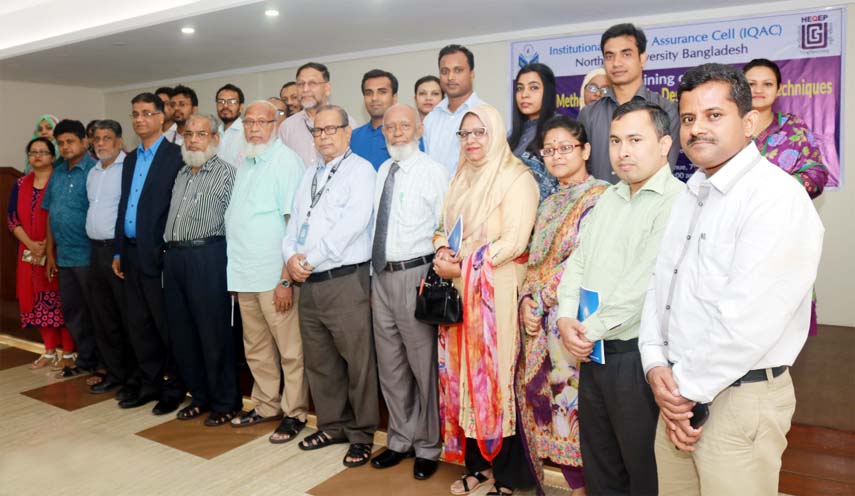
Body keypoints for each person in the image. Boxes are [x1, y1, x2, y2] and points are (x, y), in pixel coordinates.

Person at [640, 62, 825, 496]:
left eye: (713, 115)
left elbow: (747, 321)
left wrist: (680, 392)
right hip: (678, 398)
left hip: (737, 402)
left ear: (749, 122)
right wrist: (654, 365)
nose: (697, 129)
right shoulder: (692, 193)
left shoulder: (776, 198)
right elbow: (660, 287)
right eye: (688, 118)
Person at [556, 100, 684, 495]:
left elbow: (643, 281)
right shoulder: (608, 197)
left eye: (634, 140)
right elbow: (577, 261)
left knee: (642, 466)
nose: (622, 151)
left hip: (637, 358)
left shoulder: (676, 201)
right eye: (615, 140)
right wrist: (565, 318)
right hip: (592, 353)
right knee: (600, 461)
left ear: (664, 145)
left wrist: (586, 328)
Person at [433, 104, 538, 496]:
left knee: (494, 379)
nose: (472, 141)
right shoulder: (460, 178)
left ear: (495, 134)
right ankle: (479, 465)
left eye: (480, 132)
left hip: (497, 294)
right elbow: (442, 228)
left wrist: (463, 268)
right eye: (465, 134)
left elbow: (513, 242)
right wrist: (442, 250)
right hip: (462, 295)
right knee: (464, 378)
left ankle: (510, 476)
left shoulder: (516, 179)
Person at [515, 115, 609, 495]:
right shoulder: (548, 201)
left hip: (572, 321)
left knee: (576, 411)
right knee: (550, 414)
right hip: (538, 322)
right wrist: (525, 300)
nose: (556, 155)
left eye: (565, 147)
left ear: (585, 150)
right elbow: (532, 258)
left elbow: (583, 260)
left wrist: (539, 298)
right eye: (548, 149)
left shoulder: (603, 197)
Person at [282, 105, 378, 468]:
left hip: (344, 279)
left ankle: (362, 433)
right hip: (309, 282)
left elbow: (352, 224)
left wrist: (308, 259)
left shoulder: (361, 171)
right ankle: (332, 424)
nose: (323, 136)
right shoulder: (309, 173)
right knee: (320, 361)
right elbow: (294, 224)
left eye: (330, 129)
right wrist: (291, 256)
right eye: (317, 131)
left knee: (358, 362)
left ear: (347, 131)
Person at [368, 104, 448, 480]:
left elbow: (445, 228)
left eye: (404, 126)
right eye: (389, 127)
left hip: (416, 275)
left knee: (423, 366)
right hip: (380, 276)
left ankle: (429, 445)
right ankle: (400, 439)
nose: (396, 132)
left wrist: (433, 272)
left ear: (419, 129)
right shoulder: (383, 169)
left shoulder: (433, 173)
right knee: (391, 366)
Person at [226, 101, 309, 443]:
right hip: (244, 273)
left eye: (262, 121)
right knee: (256, 347)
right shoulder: (246, 160)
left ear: (276, 124)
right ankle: (264, 404)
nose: (255, 127)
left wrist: (285, 279)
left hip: (275, 276)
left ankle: (295, 412)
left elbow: (294, 224)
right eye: (249, 121)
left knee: (290, 350)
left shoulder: (286, 161)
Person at [164, 113, 240, 426]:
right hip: (175, 258)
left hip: (208, 256)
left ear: (215, 139)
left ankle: (226, 402)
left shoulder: (227, 173)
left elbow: (235, 224)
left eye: (201, 134)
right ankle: (200, 396)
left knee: (213, 333)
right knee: (183, 334)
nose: (193, 139)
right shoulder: (181, 173)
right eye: (189, 134)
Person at [743, 58, 828, 338]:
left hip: (783, 234)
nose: (759, 90)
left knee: (783, 323)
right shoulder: (728, 129)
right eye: (751, 84)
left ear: (778, 90)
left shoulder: (793, 128)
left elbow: (816, 174)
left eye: (767, 84)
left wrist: (775, 191)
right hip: (736, 233)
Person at [112, 92, 185, 414]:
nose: (139, 119)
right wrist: (117, 250)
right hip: (129, 253)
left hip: (159, 256)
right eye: (135, 114)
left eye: (146, 113)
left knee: (166, 326)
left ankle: (174, 388)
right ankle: (149, 384)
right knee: (139, 326)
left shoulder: (176, 155)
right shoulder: (129, 159)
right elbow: (124, 206)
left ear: (160, 117)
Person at [579, 23, 680, 183]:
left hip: (648, 204)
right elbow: (582, 171)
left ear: (642, 59)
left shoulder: (667, 110)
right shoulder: (589, 114)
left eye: (626, 54)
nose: (616, 63)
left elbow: (664, 169)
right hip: (598, 205)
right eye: (609, 56)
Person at [42, 119, 99, 377]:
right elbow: (50, 213)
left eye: (70, 141)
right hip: (64, 257)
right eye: (61, 143)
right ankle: (85, 361)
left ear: (84, 142)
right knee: (73, 312)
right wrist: (50, 253)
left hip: (89, 256)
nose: (65, 147)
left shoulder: (95, 170)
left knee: (97, 312)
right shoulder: (58, 172)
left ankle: (106, 365)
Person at [9, 138, 70, 369]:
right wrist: (31, 244)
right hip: (29, 253)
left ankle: (68, 353)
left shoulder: (60, 180)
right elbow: (12, 219)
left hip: (56, 251)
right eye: (33, 152)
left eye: (43, 152)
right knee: (36, 302)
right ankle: (49, 350)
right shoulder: (20, 184)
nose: (37, 156)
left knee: (60, 303)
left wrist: (47, 244)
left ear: (53, 157)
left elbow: (64, 213)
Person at [86, 119, 135, 394]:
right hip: (94, 250)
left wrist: (119, 250)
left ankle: (132, 376)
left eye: (107, 138)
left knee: (124, 316)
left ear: (118, 141)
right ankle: (114, 373)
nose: (101, 143)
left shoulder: (127, 168)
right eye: (97, 138)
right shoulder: (93, 171)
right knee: (103, 317)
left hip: (119, 252)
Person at [278, 62, 356, 168]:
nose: (305, 89)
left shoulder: (347, 122)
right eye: (300, 84)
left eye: (312, 83)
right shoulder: (287, 127)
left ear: (327, 88)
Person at [423, 44, 484, 175]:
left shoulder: (485, 114)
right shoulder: (431, 118)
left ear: (472, 74)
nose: (450, 77)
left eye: (458, 70)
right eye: (444, 71)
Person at [508, 63, 559, 200]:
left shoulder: (560, 130)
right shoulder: (509, 137)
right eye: (520, 88)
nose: (524, 95)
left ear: (548, 91)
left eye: (534, 88)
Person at [351, 69, 398, 170]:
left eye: (382, 92)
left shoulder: (406, 135)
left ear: (394, 98)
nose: (374, 98)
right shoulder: (352, 137)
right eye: (369, 93)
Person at [215, 83, 246, 168]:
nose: (225, 106)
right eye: (221, 102)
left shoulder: (247, 133)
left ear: (241, 107)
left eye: (231, 102)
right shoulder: (213, 134)